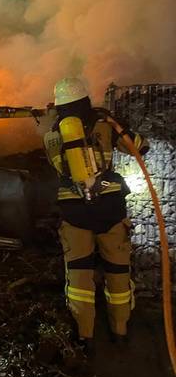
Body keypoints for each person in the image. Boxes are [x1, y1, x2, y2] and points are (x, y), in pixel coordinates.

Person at [43, 78, 149, 352]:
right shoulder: (105, 125)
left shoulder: (52, 134)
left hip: (75, 213)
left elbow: (58, 168)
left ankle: (84, 336)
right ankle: (120, 331)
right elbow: (140, 146)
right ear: (85, 100)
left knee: (79, 278)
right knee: (118, 272)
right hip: (110, 210)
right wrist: (116, 124)